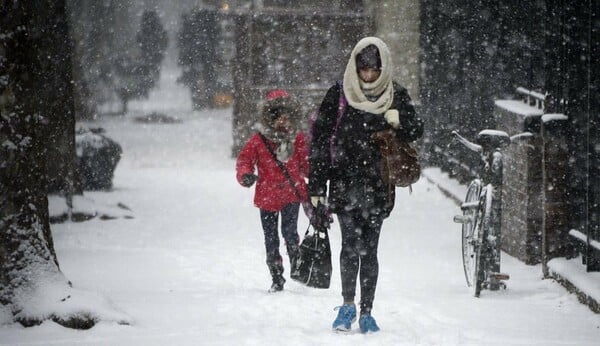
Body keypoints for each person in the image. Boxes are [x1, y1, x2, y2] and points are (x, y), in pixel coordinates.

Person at [308, 37, 424, 333]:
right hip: (345, 181)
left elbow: (416, 130)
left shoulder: (395, 94)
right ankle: (347, 306)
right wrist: (317, 187)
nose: (368, 76)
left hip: (378, 183)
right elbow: (321, 140)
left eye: (373, 70)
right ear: (355, 67)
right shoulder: (340, 93)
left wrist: (399, 122)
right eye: (363, 70)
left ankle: (367, 311)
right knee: (349, 245)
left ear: (382, 68)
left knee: (370, 249)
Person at [236, 89, 309, 293]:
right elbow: (244, 160)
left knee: (290, 232)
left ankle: (297, 264)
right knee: (271, 238)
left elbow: (305, 163)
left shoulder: (297, 139)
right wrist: (245, 175)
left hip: (291, 195)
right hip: (267, 197)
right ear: (269, 119)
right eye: (278, 118)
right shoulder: (259, 141)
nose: (283, 123)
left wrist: (318, 173)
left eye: (287, 118)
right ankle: (276, 275)